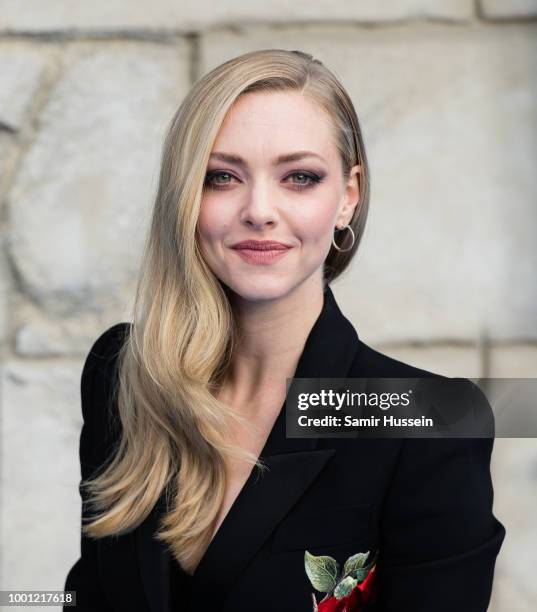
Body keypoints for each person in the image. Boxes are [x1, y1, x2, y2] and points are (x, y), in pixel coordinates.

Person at [64, 49, 506, 611]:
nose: (259, 210)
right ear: (185, 198)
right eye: (222, 177)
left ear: (348, 195)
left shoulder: (430, 418)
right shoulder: (123, 373)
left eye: (299, 177)